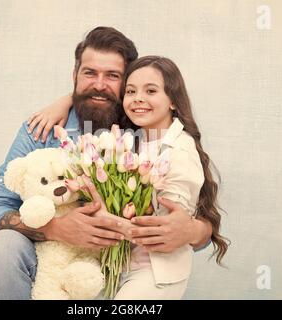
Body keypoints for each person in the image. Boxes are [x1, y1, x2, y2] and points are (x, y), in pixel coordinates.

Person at [0, 26, 213, 300]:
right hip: (51, 265)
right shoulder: (43, 129)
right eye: (89, 73)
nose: (99, 85)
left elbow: (195, 213)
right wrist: (56, 229)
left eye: (112, 76)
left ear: (126, 83)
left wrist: (193, 230)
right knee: (1, 247)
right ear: (74, 76)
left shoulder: (141, 128)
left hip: (121, 268)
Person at [28, 55, 229, 299]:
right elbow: (96, 92)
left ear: (173, 101)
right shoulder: (137, 139)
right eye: (131, 91)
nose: (138, 99)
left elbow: (164, 232)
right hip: (120, 267)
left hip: (155, 273)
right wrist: (65, 101)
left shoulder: (179, 149)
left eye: (151, 91)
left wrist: (106, 220)